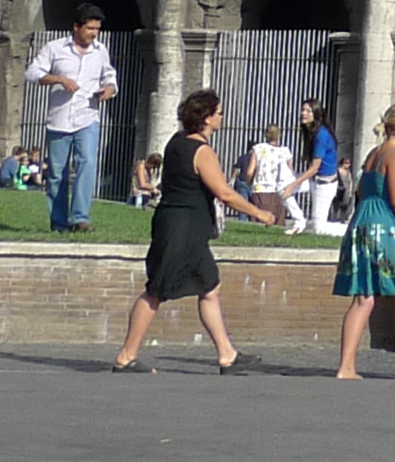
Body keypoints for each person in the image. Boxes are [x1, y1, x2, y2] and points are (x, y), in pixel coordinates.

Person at [117, 91, 284, 373]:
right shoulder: (202, 151)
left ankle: (227, 354)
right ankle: (126, 356)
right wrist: (260, 213)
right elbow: (224, 192)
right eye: (218, 112)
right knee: (157, 289)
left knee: (209, 286)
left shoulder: (176, 141)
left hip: (182, 225)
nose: (222, 117)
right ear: (206, 117)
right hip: (182, 228)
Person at [333, 105, 395, 380]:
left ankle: (346, 365)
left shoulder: (374, 155)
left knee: (363, 297)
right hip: (386, 229)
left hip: (363, 221)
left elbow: (367, 189)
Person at [27, 5, 122, 231]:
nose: (94, 33)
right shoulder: (55, 48)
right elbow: (32, 73)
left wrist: (109, 89)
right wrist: (60, 79)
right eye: (90, 28)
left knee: (87, 163)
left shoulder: (100, 51)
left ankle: (80, 218)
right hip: (59, 119)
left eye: (97, 29)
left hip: (87, 117)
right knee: (57, 173)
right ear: (77, 27)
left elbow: (110, 76)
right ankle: (58, 223)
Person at [292, 97, 343, 234]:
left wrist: (293, 184)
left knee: (319, 228)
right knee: (283, 187)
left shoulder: (321, 134)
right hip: (313, 180)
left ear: (316, 114)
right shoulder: (310, 132)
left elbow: (315, 167)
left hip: (325, 184)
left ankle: (349, 230)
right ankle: (299, 221)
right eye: (302, 110)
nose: (303, 113)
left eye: (308, 111)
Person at [241, 125, 297, 226]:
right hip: (278, 191)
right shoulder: (285, 151)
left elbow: (249, 171)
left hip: (259, 190)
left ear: (265, 134)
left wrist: (248, 182)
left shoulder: (258, 148)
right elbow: (291, 173)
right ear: (279, 135)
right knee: (277, 223)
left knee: (257, 222)